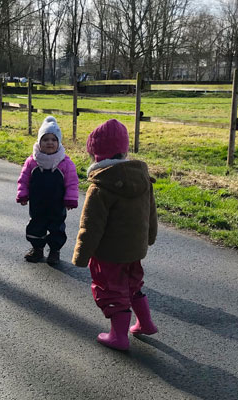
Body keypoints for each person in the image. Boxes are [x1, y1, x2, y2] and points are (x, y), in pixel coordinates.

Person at [72, 119, 158, 351]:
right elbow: (151, 213)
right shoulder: (142, 180)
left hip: (108, 253)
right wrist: (150, 237)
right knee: (133, 283)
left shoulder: (100, 186)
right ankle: (145, 323)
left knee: (110, 290)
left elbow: (90, 226)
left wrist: (81, 256)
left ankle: (118, 336)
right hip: (135, 249)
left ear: (96, 155)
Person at [16, 116, 79, 266]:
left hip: (57, 203)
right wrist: (22, 194)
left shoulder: (65, 163)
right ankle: (37, 248)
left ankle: (54, 251)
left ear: (59, 142)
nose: (49, 143)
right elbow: (24, 179)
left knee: (57, 227)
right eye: (45, 139)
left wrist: (71, 199)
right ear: (39, 142)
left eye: (53, 139)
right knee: (36, 225)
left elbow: (72, 183)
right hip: (37, 203)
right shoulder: (32, 161)